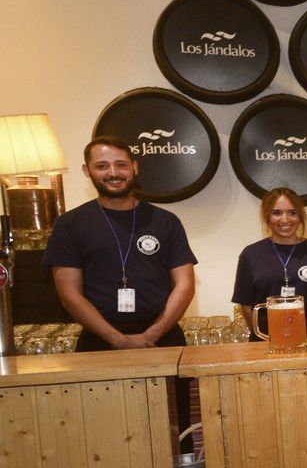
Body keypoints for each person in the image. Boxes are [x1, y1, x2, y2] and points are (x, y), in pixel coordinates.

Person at [44, 136, 195, 351]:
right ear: (87, 171)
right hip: (99, 342)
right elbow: (69, 295)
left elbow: (185, 285)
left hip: (163, 339)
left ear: (134, 168)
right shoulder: (69, 224)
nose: (113, 173)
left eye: (121, 165)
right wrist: (118, 340)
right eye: (102, 166)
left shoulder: (166, 221)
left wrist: (151, 335)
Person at [231, 187, 307, 338]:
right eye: (277, 213)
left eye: (292, 212)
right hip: (267, 339)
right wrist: (263, 335)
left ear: (300, 217)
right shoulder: (251, 254)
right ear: (267, 217)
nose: (285, 219)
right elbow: (245, 305)